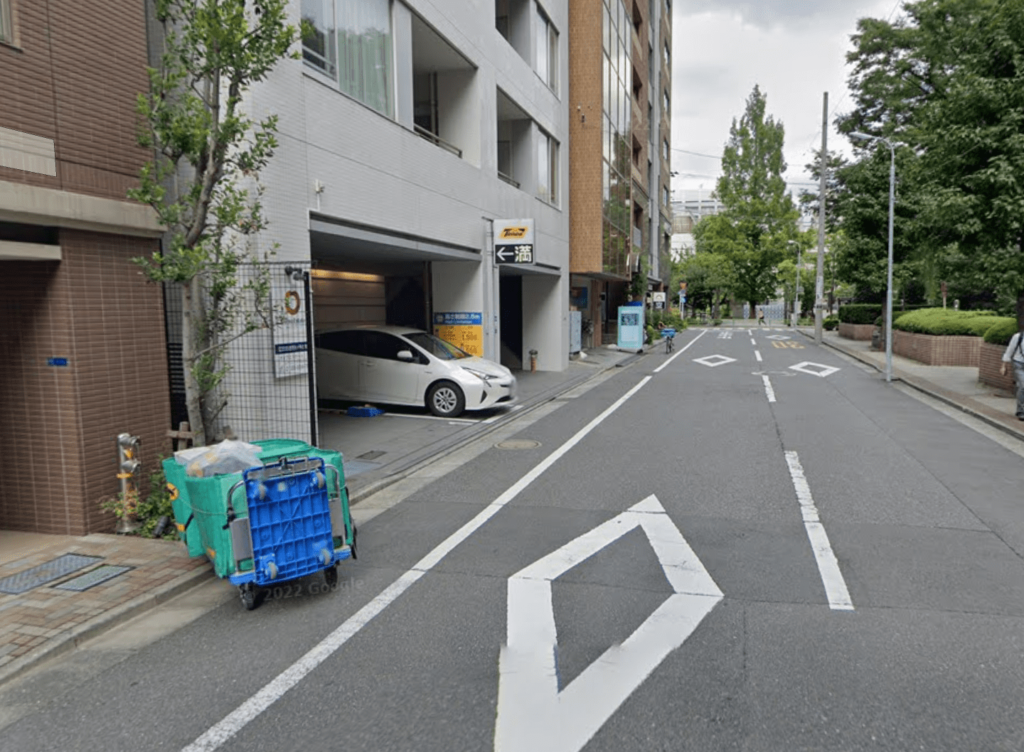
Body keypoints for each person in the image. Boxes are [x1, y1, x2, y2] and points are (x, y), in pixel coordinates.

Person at [1000, 325, 1024, 420]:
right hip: (1019, 364)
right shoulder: (1018, 337)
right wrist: (1003, 366)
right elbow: (1009, 351)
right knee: (1023, 386)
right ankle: (1021, 411)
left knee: (1021, 387)